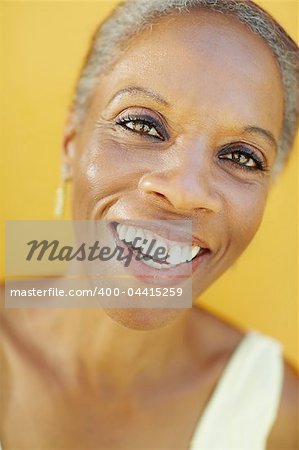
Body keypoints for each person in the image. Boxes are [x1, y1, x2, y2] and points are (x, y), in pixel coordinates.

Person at [0, 0, 298, 448]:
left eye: (241, 156)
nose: (185, 191)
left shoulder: (275, 414)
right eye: (142, 125)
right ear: (71, 144)